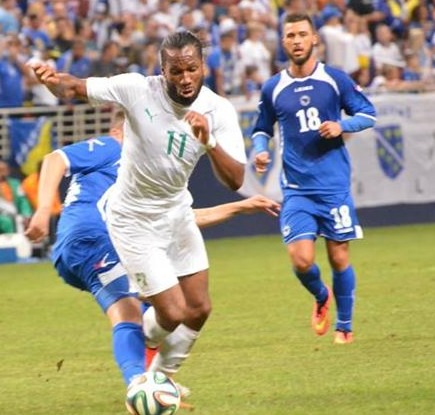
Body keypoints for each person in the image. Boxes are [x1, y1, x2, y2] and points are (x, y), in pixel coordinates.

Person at [30, 31, 247, 387]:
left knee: (199, 309)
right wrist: (54, 82)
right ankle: (137, 358)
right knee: (171, 312)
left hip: (176, 214)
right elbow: (75, 88)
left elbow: (236, 179)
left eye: (192, 69)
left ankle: (158, 382)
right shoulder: (137, 88)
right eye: (176, 71)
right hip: (131, 219)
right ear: (163, 70)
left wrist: (209, 143)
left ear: (203, 66)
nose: (185, 78)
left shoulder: (218, 110)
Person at [25, 110, 278, 388]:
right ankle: (140, 385)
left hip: (88, 248)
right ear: (124, 131)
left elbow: (183, 220)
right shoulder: (114, 147)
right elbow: (54, 159)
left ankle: (149, 379)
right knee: (134, 312)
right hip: (92, 238)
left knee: (160, 304)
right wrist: (44, 210)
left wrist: (239, 207)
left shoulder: (142, 175)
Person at [251, 13, 377, 345]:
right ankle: (321, 296)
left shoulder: (335, 80)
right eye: (290, 35)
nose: (296, 40)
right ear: (283, 41)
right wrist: (261, 150)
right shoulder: (273, 87)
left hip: (333, 187)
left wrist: (342, 126)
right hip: (296, 190)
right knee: (301, 259)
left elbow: (367, 114)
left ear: (314, 39)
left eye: (302, 34)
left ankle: (345, 326)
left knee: (339, 257)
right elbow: (261, 129)